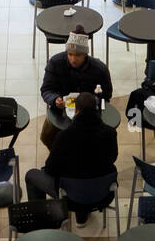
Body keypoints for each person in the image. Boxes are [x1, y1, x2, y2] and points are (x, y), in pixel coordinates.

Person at [26, 92, 119, 225]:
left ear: (76, 110)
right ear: (96, 110)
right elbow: (112, 158)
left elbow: (51, 168)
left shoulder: (64, 136)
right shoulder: (110, 133)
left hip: (70, 196)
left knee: (31, 175)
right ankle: (82, 215)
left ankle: (42, 222)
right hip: (102, 193)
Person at [39, 28, 113, 147]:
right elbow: (46, 89)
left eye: (78, 55)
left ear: (85, 54)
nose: (73, 59)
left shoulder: (100, 69)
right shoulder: (55, 63)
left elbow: (106, 96)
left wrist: (90, 103)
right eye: (70, 54)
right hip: (61, 110)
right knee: (47, 137)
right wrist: (55, 99)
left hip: (89, 113)